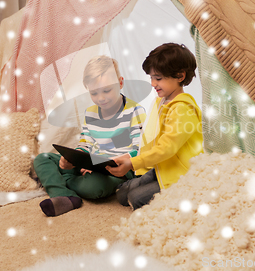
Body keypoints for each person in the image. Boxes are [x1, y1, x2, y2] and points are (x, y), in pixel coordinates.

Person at [34, 55, 146, 216]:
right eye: (94, 93)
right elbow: (86, 143)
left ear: (120, 83)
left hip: (117, 169)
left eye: (107, 90)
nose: (101, 98)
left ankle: (58, 186)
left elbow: (138, 149)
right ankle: (65, 194)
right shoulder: (91, 114)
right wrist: (76, 157)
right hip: (90, 164)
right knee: (42, 159)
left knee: (95, 188)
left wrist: (101, 165)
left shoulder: (136, 111)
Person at [107, 43, 203, 210]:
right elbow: (152, 137)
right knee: (121, 195)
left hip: (183, 171)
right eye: (151, 78)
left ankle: (184, 196)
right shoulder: (161, 100)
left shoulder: (182, 108)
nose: (152, 83)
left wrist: (134, 162)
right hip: (164, 165)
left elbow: (167, 147)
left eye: (158, 78)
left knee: (135, 199)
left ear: (180, 76)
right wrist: (134, 160)